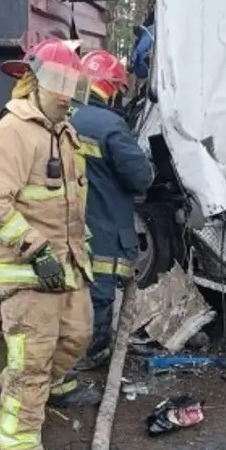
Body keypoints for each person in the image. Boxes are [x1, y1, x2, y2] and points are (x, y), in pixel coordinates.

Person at [0, 38, 103, 450]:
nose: (67, 93)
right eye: (60, 83)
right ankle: (17, 443)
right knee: (33, 357)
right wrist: (37, 251)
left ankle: (34, 388)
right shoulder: (13, 132)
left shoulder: (65, 134)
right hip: (28, 271)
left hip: (68, 266)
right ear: (33, 82)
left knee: (78, 335)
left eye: (74, 84)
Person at [71, 49, 155, 371]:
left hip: (68, 222)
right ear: (113, 89)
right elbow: (140, 177)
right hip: (103, 223)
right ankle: (89, 356)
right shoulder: (110, 124)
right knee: (99, 290)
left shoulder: (62, 116)